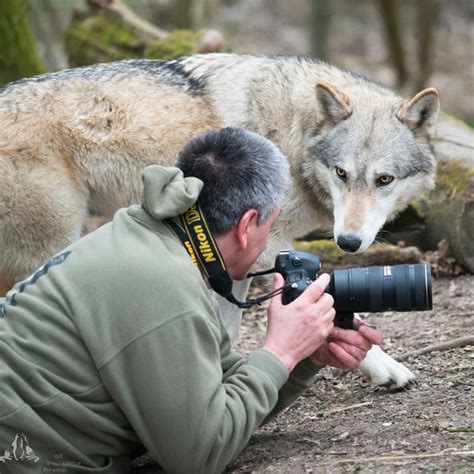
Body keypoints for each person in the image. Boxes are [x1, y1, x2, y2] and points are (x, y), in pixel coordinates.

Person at [0, 128, 383, 473]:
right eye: (271, 226)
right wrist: (279, 351)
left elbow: (222, 396)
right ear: (248, 226)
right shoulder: (161, 279)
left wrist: (301, 356)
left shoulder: (158, 241)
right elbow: (199, 455)